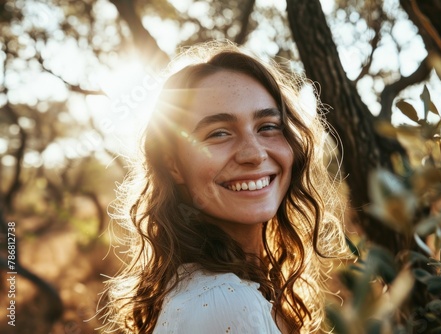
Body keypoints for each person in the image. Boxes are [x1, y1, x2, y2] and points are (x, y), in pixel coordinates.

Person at [101, 41, 347, 334]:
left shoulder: (225, 286)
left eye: (268, 126)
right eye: (219, 133)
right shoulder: (226, 303)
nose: (254, 154)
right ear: (174, 165)